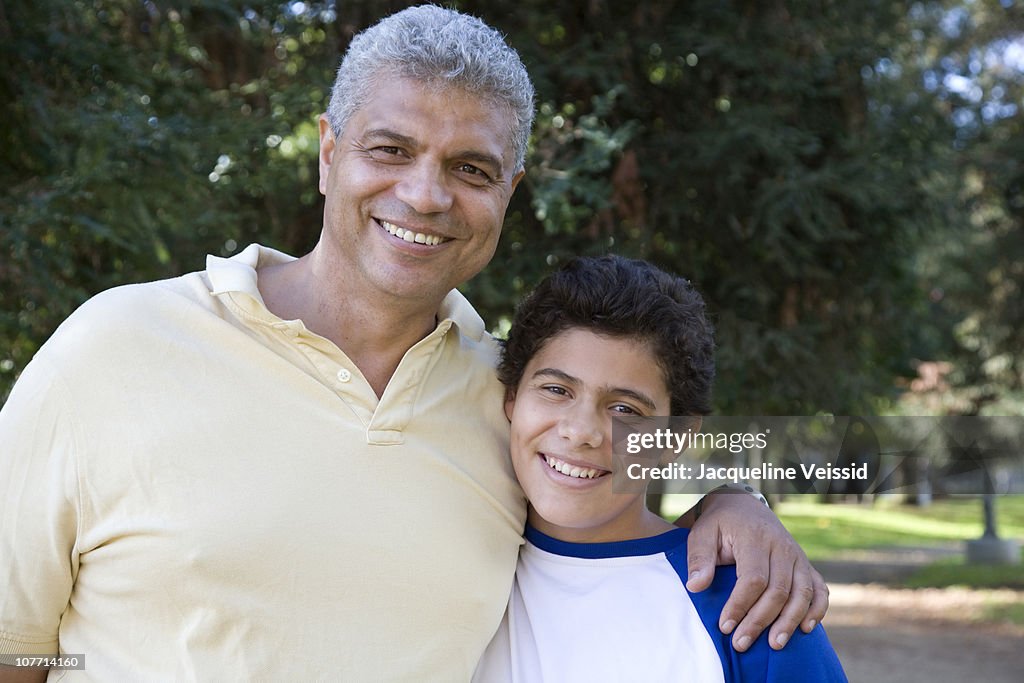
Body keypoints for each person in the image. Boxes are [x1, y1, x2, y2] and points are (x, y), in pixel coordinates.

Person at [0, 5, 824, 680]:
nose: (425, 195)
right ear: (328, 153)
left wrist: (738, 503)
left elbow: (622, 473)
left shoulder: (509, 399)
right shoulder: (114, 348)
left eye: (471, 168)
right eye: (390, 150)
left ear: (509, 190)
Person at [475, 255, 848, 681]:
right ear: (512, 397)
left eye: (624, 408)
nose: (581, 431)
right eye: (556, 389)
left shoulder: (751, 607)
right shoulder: (456, 558)